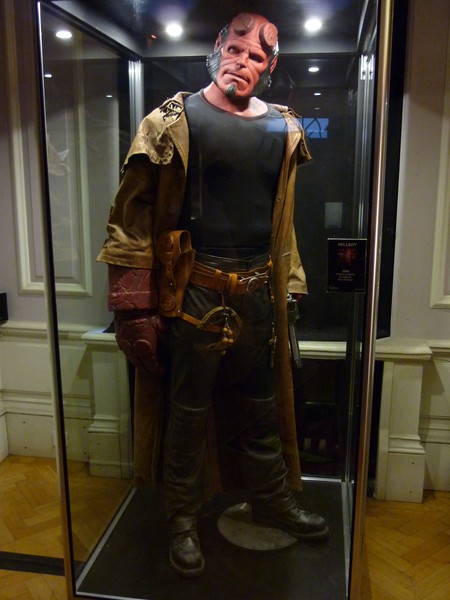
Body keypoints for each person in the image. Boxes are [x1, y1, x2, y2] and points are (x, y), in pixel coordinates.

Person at [98, 12, 328, 578]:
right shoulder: (171, 122)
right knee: (187, 410)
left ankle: (270, 498)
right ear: (218, 47)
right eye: (236, 49)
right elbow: (131, 217)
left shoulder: (284, 128)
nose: (242, 63)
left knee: (261, 404)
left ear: (270, 66)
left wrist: (289, 288)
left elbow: (282, 220)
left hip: (257, 292)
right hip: (194, 294)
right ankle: (181, 517)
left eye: (257, 57)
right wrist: (134, 307)